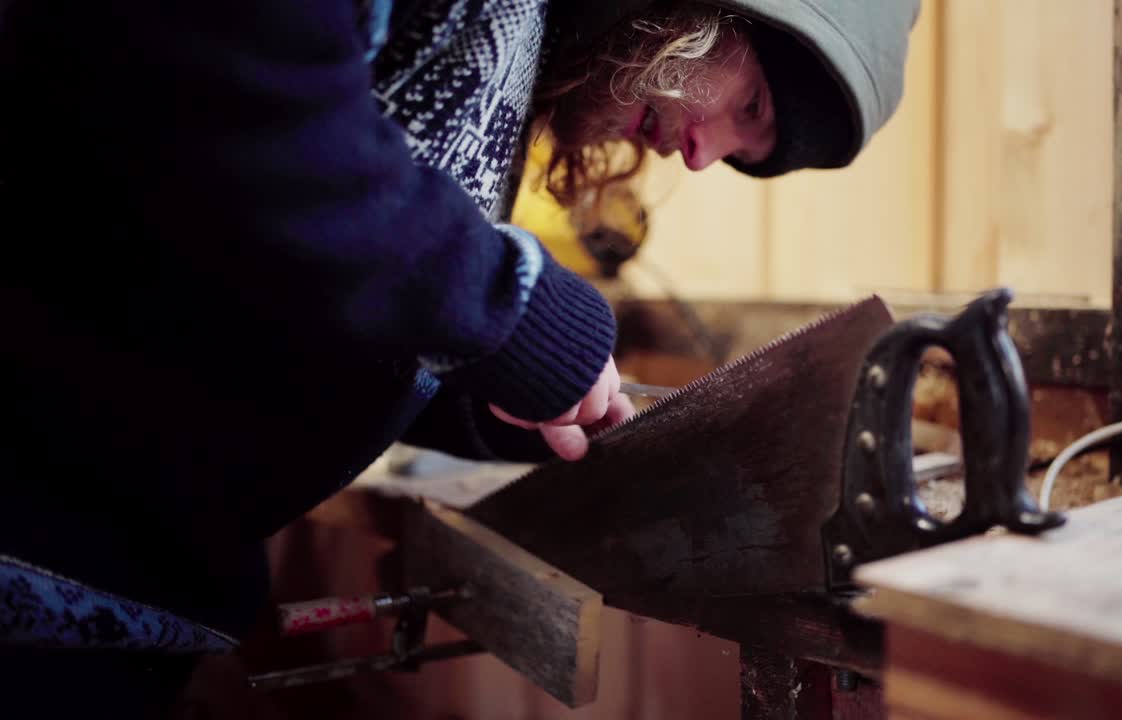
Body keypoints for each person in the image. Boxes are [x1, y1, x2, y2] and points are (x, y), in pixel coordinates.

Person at [0, 0, 918, 713]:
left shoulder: (522, 35)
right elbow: (225, 76)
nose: (699, 154)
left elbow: (292, 263)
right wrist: (500, 307)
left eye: (744, 150)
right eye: (749, 105)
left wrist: (469, 394)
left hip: (114, 601)